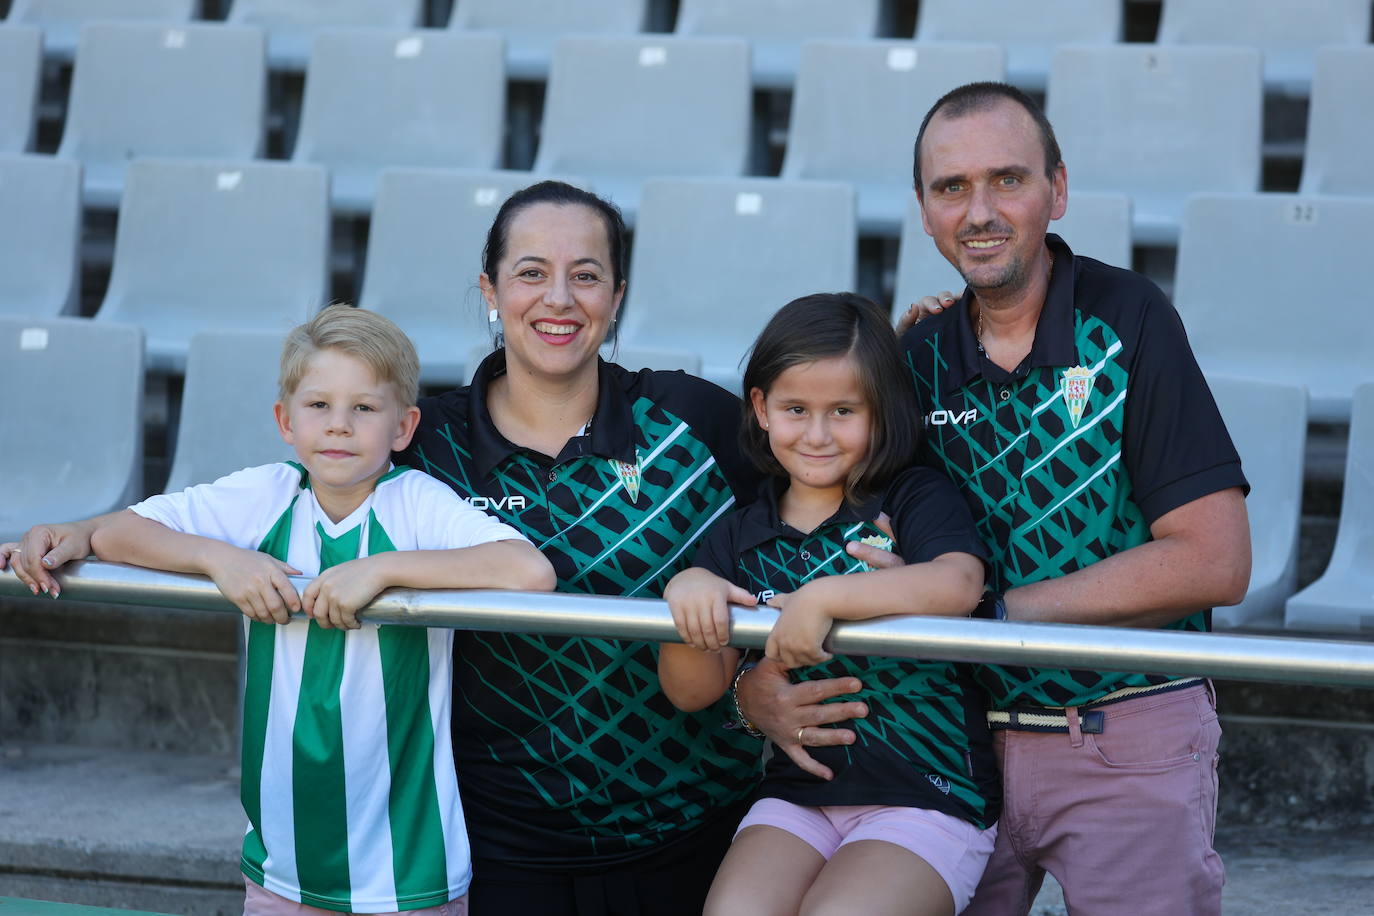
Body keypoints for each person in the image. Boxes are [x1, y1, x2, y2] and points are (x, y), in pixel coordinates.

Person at [737, 82, 1251, 916]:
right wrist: (750, 688)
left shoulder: (1130, 321)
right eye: (951, 188)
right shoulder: (912, 356)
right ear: (923, 209)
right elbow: (815, 533)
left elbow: (1216, 558)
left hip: (1122, 728)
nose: (979, 211)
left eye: (1007, 180)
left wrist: (999, 616)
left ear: (1058, 189)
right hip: (946, 754)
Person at [14, 305, 557, 914]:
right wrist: (220, 559)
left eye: (365, 408)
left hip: (409, 866)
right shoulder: (266, 495)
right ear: (285, 420)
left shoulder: (418, 506)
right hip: (282, 863)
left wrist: (384, 569)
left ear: (403, 428)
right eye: (319, 406)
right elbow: (117, 533)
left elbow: (528, 571)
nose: (339, 426)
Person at [658, 293, 999, 916]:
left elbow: (959, 582)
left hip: (926, 795)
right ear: (760, 407)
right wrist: (687, 596)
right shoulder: (739, 531)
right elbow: (691, 690)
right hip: (798, 796)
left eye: (843, 410)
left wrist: (826, 598)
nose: (816, 434)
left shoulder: (910, 496)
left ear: (881, 413)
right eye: (795, 409)